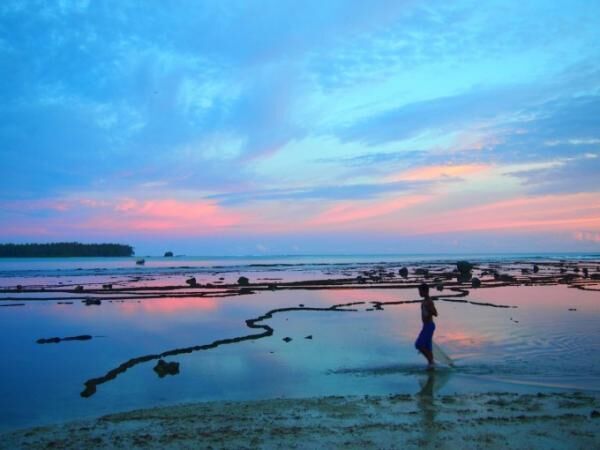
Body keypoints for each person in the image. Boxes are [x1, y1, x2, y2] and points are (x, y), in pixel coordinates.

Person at [414, 282, 438, 368]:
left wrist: (429, 311)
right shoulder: (424, 301)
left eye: (420, 291)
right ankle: (431, 363)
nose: (419, 293)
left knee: (419, 344)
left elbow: (435, 313)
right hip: (426, 326)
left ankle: (431, 362)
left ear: (425, 291)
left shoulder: (429, 301)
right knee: (427, 346)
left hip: (429, 326)